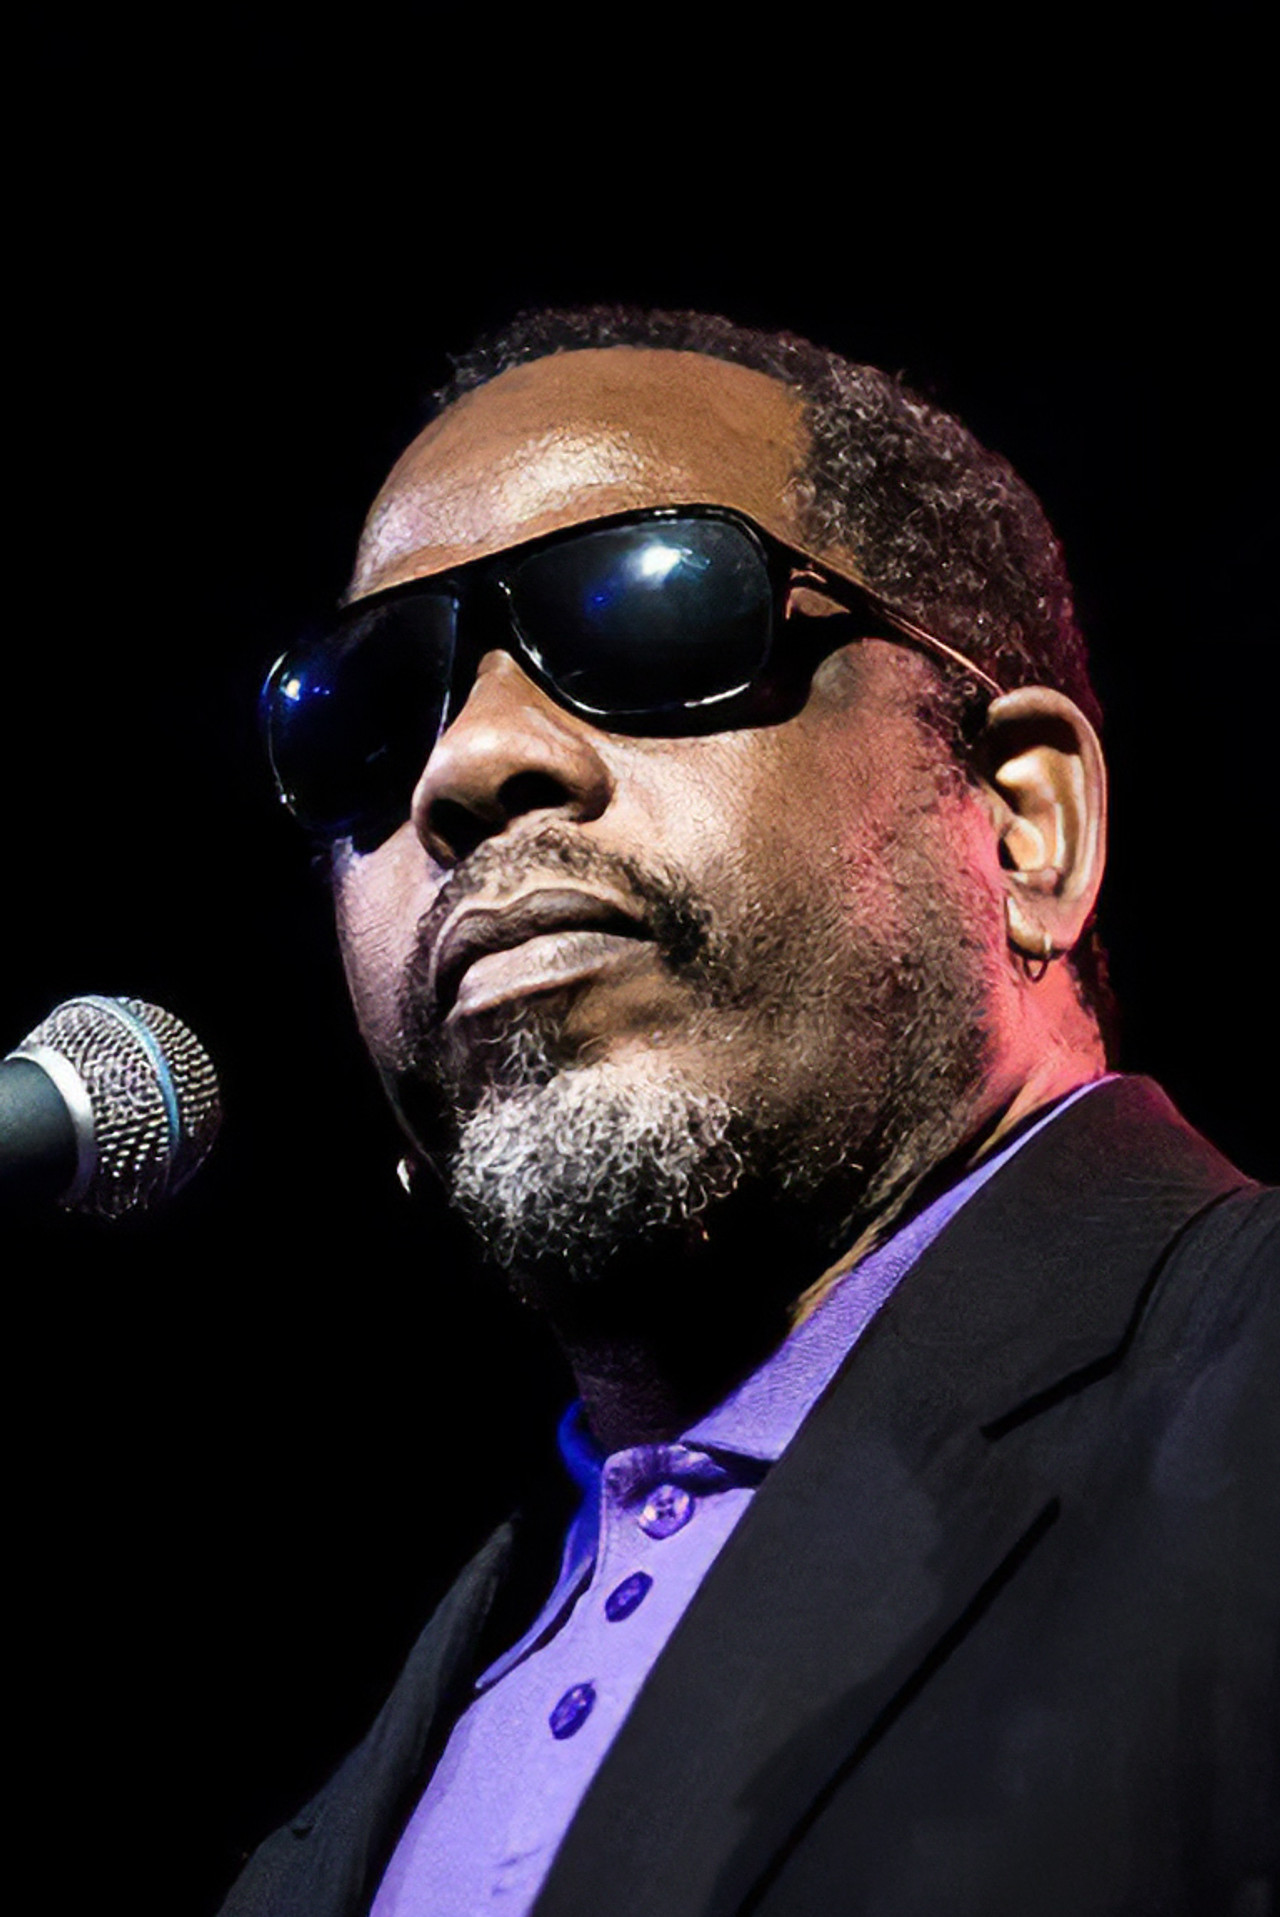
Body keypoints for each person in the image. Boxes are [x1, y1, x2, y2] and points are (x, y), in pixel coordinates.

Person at [223, 309, 1277, 1917]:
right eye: (364, 713)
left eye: (648, 606)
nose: (465, 762)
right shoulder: (330, 1826)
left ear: (1021, 822)